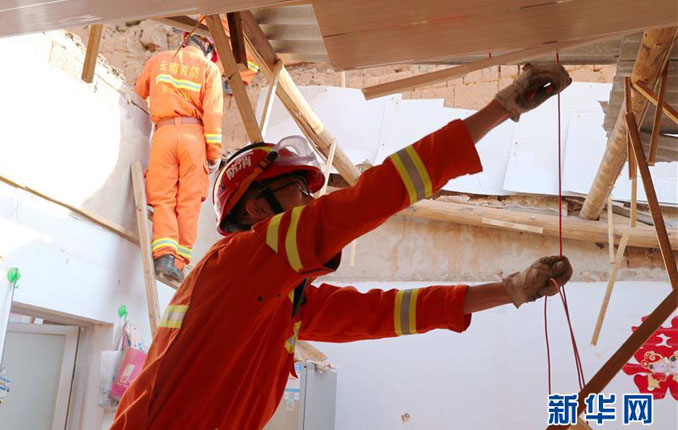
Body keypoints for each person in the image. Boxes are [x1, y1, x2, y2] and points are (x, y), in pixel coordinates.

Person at [112, 64, 574, 430]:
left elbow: (388, 313)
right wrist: (500, 109)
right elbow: (373, 197)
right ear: (257, 208)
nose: (311, 202)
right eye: (299, 190)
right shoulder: (241, 260)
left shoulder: (278, 301)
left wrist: (513, 290)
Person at [134, 30, 224, 283]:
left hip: (163, 135)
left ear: (185, 40)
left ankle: (163, 255)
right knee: (189, 201)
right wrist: (214, 153)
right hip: (193, 137)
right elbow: (213, 114)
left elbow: (138, 94)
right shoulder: (209, 69)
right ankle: (178, 262)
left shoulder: (158, 61)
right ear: (209, 49)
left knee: (162, 197)